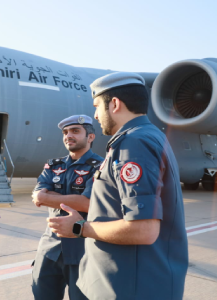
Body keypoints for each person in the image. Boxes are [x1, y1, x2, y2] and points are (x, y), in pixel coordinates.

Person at [48, 72, 188, 299]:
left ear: (114, 104)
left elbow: (142, 230)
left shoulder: (134, 143)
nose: (95, 115)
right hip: (131, 283)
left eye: (96, 107)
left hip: (129, 287)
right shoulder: (149, 136)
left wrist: (79, 228)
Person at [31, 115, 103, 300]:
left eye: (75, 131)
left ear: (91, 137)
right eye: (65, 132)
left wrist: (48, 197)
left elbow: (87, 203)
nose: (68, 135)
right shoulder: (53, 165)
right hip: (50, 248)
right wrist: (71, 199)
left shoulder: (100, 167)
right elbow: (37, 197)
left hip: (82, 249)